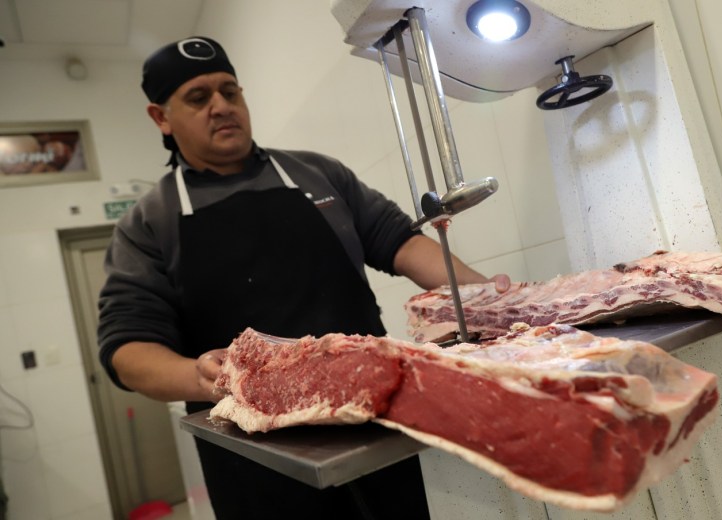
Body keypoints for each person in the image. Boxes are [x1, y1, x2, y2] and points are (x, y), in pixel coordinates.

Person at [97, 36, 509, 520]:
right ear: (160, 118)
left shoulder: (316, 173)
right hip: (253, 456)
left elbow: (403, 245)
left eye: (230, 91)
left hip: (369, 426)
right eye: (198, 97)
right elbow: (127, 349)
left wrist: (493, 305)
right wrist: (200, 376)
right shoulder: (150, 220)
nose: (221, 106)